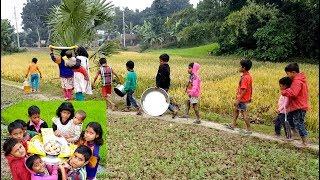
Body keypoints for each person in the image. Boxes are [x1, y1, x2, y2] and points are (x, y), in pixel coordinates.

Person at [281, 63, 309, 146]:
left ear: (293, 72)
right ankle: (294, 136)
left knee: (299, 123)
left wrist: (284, 92)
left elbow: (294, 93)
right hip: (295, 106)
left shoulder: (297, 81)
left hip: (299, 106)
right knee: (289, 119)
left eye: (288, 73)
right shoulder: (297, 80)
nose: (287, 75)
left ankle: (305, 142)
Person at [227, 59, 253, 134]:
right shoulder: (248, 76)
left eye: (240, 66)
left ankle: (249, 129)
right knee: (236, 110)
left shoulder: (245, 78)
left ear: (243, 68)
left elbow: (243, 90)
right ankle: (233, 125)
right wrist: (250, 97)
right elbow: (250, 88)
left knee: (244, 114)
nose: (239, 67)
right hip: (243, 98)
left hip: (242, 99)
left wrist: (238, 99)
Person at [155, 53, 178, 118]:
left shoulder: (162, 67)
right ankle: (161, 112)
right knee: (163, 98)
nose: (159, 62)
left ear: (162, 61)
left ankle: (173, 109)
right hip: (166, 85)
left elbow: (161, 77)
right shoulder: (168, 66)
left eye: (160, 61)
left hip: (162, 86)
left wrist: (157, 85)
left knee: (162, 99)